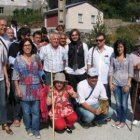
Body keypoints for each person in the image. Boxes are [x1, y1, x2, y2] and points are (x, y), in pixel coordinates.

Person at [12, 38, 42, 138]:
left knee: (36, 111)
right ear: (22, 47)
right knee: (26, 112)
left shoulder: (36, 57)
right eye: (25, 45)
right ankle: (28, 128)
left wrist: (43, 78)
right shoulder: (18, 59)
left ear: (31, 46)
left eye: (29, 45)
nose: (27, 47)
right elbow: (15, 76)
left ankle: (36, 129)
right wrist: (17, 89)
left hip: (36, 87)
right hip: (23, 88)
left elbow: (40, 71)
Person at [8, 27, 31, 127]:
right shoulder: (14, 45)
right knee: (17, 95)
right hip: (16, 73)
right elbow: (10, 60)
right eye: (27, 35)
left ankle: (26, 114)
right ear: (22, 36)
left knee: (27, 94)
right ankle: (16, 117)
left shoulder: (30, 45)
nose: (29, 37)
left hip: (28, 73)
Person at [109, 39, 133, 129]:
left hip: (125, 84)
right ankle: (118, 119)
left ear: (124, 47)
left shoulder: (129, 57)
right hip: (115, 83)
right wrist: (111, 84)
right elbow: (110, 71)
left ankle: (123, 120)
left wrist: (127, 85)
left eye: (121, 46)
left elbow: (131, 73)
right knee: (118, 104)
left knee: (124, 104)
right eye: (118, 47)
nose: (119, 48)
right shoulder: (113, 57)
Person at [87, 33, 113, 105]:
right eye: (97, 40)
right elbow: (89, 64)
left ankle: (107, 115)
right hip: (95, 80)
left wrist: (112, 80)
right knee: (95, 99)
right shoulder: (92, 50)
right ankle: (98, 115)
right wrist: (89, 78)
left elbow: (113, 64)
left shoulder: (110, 50)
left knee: (106, 99)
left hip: (106, 80)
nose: (98, 42)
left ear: (104, 40)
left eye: (100, 40)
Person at [0, 18, 13, 135]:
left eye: (5, 25)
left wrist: (7, 78)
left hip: (1, 78)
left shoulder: (5, 40)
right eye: (1, 25)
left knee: (3, 102)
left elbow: (4, 63)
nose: (3, 27)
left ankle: (4, 123)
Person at [130, 39, 140, 126]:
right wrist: (135, 66)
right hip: (135, 81)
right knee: (134, 99)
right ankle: (137, 117)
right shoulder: (132, 55)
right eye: (138, 46)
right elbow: (129, 67)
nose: (138, 47)